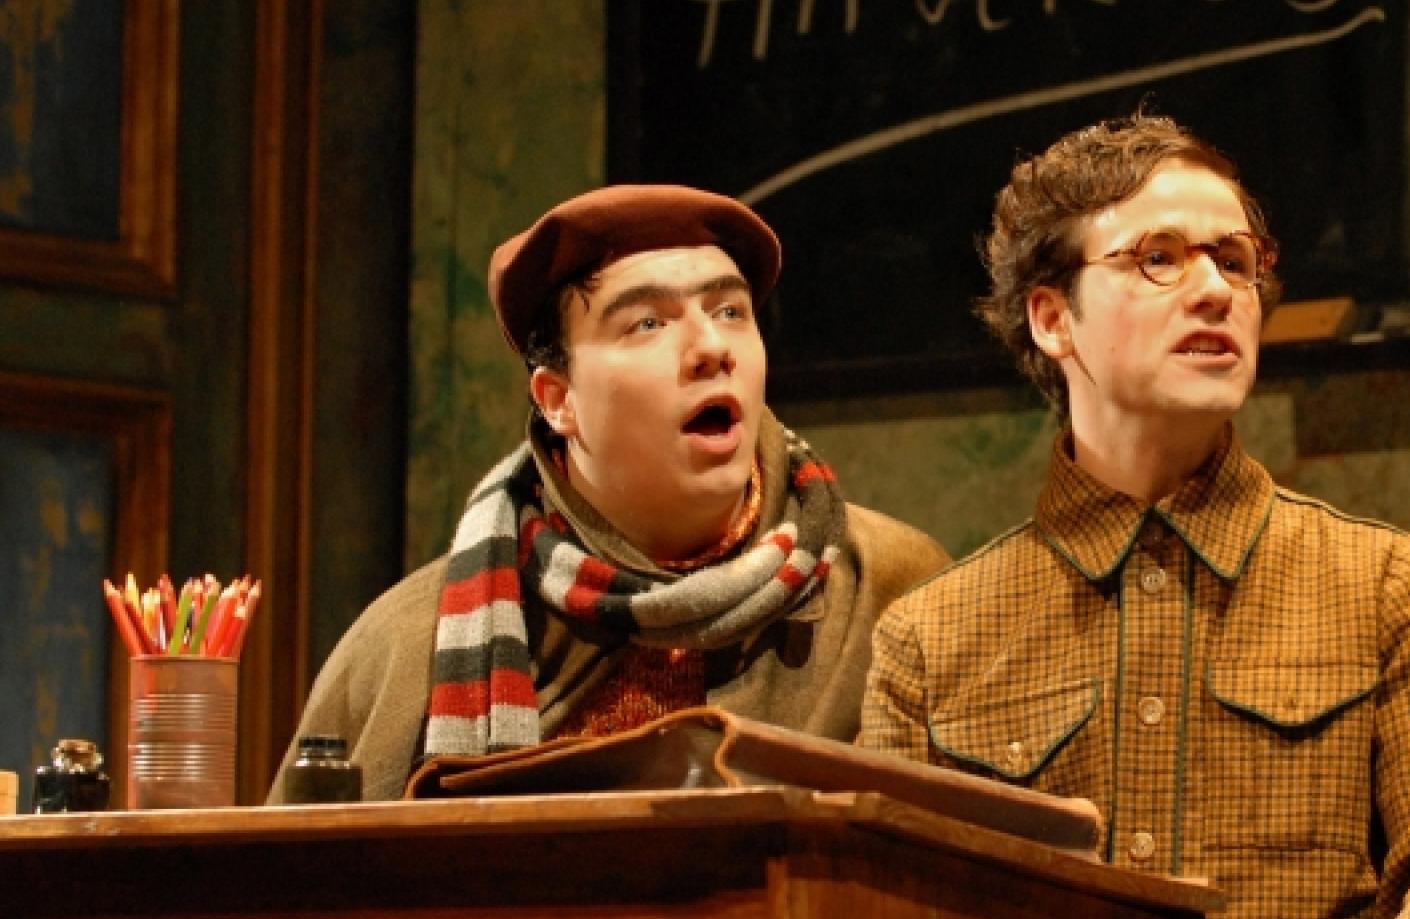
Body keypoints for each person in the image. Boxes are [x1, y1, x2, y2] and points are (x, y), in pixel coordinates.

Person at [859, 114, 1410, 916]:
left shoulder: (1385, 587)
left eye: (1235, 261)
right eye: (1159, 258)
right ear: (1053, 318)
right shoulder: (929, 642)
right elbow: (877, 901)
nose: (1214, 290)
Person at [273, 185, 950, 801]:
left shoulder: (893, 592)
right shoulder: (414, 641)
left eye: (731, 311)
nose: (712, 347)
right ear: (558, 400)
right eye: (648, 323)